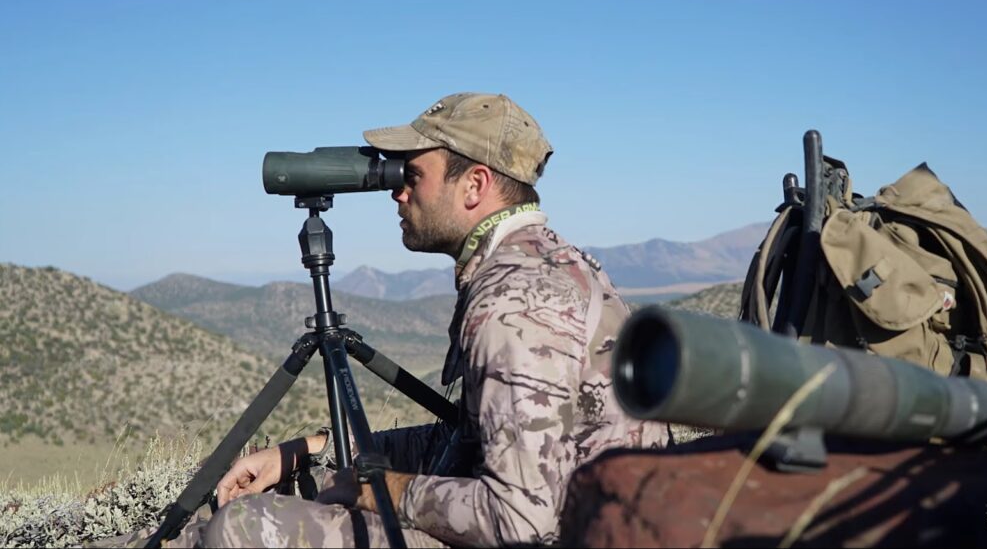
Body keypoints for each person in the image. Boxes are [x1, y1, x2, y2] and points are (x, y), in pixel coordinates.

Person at [133, 92, 668, 548]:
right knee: (306, 489)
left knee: (246, 527)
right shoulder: (555, 263)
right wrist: (306, 451)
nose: (398, 191)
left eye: (414, 174)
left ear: (475, 185)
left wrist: (374, 489)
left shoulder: (512, 304)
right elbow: (468, 442)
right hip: (592, 520)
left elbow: (520, 518)